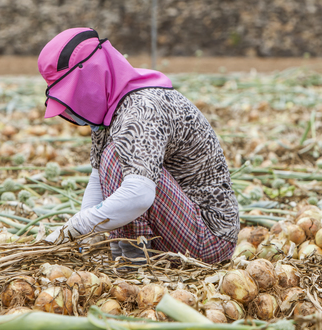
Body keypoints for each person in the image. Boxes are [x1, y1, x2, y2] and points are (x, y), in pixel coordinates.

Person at [38, 27, 239, 265]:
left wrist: (77, 226)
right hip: (179, 227)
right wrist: (76, 239)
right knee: (110, 156)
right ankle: (129, 256)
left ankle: (134, 263)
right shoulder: (111, 107)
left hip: (208, 240)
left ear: (91, 77)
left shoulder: (141, 108)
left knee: (115, 155)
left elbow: (139, 194)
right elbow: (98, 178)